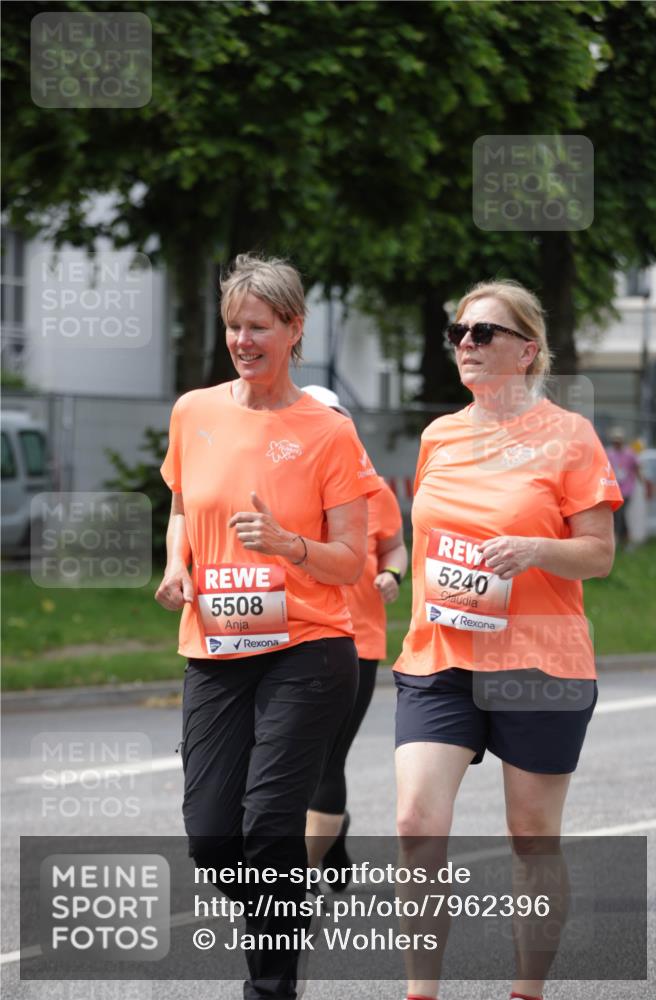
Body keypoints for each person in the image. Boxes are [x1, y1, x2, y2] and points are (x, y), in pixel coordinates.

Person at [155, 254, 380, 1000]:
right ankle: (285, 921)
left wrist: (290, 546)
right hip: (216, 645)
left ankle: (271, 986)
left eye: (258, 327)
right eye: (232, 327)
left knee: (268, 827)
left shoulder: (327, 432)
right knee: (213, 840)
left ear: (293, 329)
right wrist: (175, 565)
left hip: (309, 650)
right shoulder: (194, 411)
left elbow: (352, 561)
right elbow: (184, 506)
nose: (242, 341)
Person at [393, 280, 623, 1000]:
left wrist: (532, 549)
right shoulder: (439, 436)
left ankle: (526, 990)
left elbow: (597, 553)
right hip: (441, 656)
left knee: (530, 837)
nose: (466, 343)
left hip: (540, 661)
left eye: (484, 332)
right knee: (414, 823)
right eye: (460, 331)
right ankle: (419, 993)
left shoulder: (569, 436)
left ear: (526, 350)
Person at [299, 385, 408, 876]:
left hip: (356, 639)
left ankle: (290, 883)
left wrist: (393, 574)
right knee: (285, 761)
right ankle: (331, 835)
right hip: (290, 636)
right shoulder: (280, 482)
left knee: (327, 757)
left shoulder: (373, 489)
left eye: (336, 420)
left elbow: (395, 547)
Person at [606, 426, 641, 546]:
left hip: (627, 489)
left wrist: (641, 480)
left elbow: (637, 467)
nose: (617, 443)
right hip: (614, 489)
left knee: (620, 514)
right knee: (618, 514)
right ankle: (624, 538)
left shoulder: (629, 453)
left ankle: (620, 538)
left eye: (618, 440)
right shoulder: (609, 453)